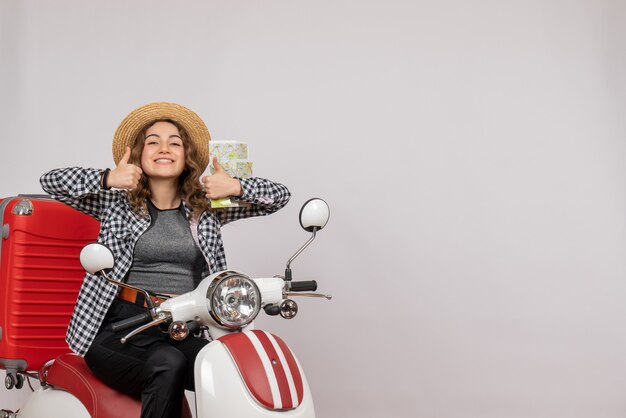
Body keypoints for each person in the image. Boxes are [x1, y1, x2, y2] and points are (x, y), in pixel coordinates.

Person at [40, 102, 291, 418]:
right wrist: (108, 178)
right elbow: (51, 181)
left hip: (183, 325)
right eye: (153, 141)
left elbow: (279, 197)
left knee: (232, 366)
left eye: (175, 142)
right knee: (167, 364)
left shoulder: (207, 207)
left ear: (187, 156)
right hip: (120, 327)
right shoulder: (116, 202)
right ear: (139, 155)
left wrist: (237, 186)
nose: (164, 148)